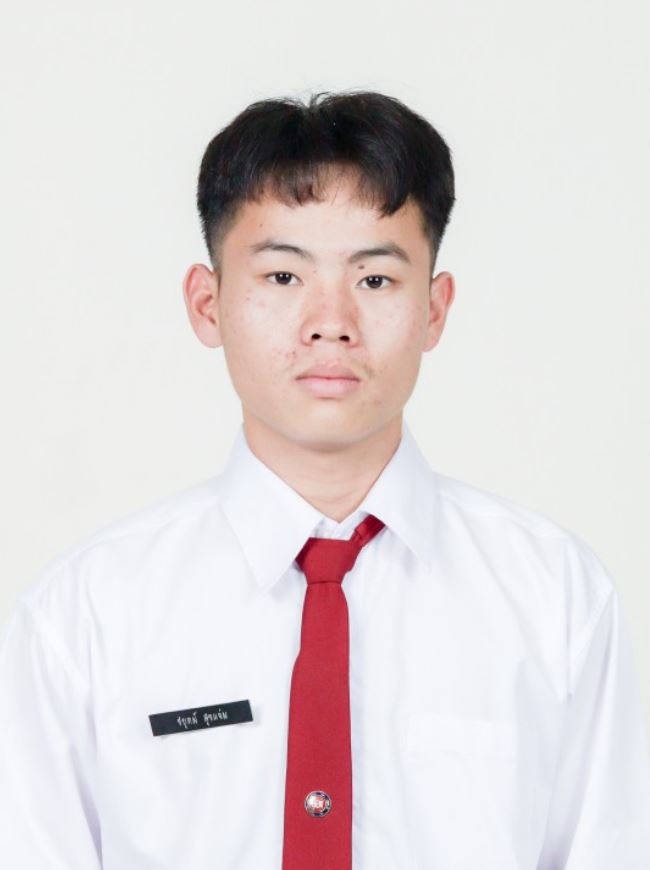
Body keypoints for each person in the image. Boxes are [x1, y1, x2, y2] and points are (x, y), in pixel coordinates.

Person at [1, 89, 649, 870]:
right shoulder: (87, 617)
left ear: (435, 309)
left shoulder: (555, 598)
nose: (331, 322)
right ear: (208, 305)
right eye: (282, 276)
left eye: (375, 280)